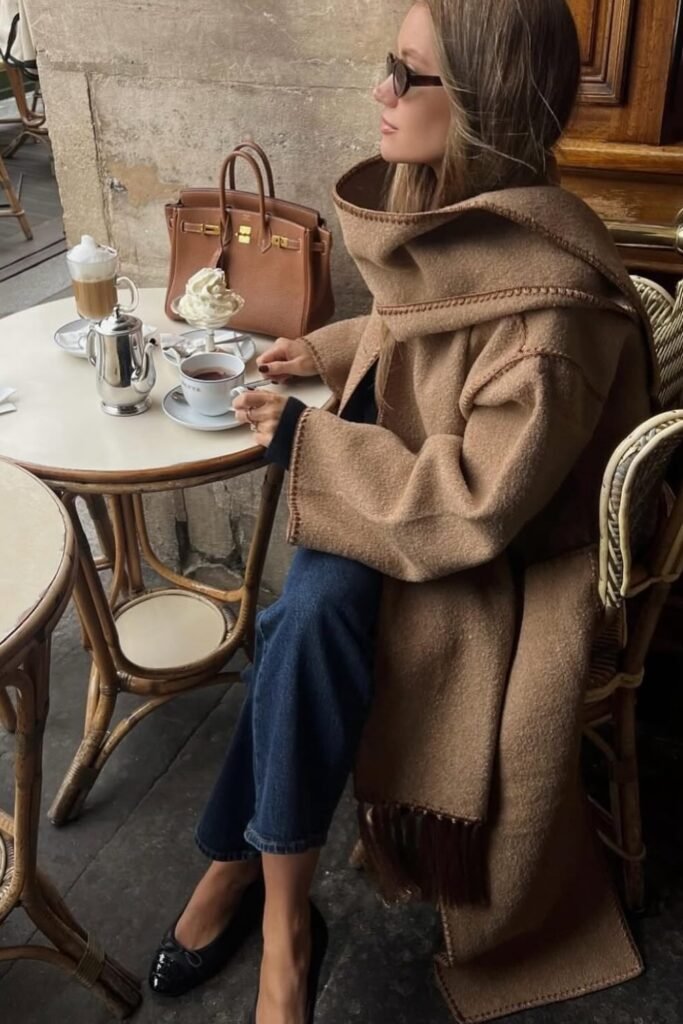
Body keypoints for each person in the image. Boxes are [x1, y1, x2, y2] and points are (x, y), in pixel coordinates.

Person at [149, 2, 658, 1022]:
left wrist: (310, 441)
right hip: (398, 476)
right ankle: (255, 887)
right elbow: (410, 327)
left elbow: (476, 503)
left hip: (490, 551)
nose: (379, 91)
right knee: (305, 620)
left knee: (302, 621)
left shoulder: (554, 313)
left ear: (481, 104)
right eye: (389, 63)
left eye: (408, 74)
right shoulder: (459, 210)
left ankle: (269, 912)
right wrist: (325, 351)